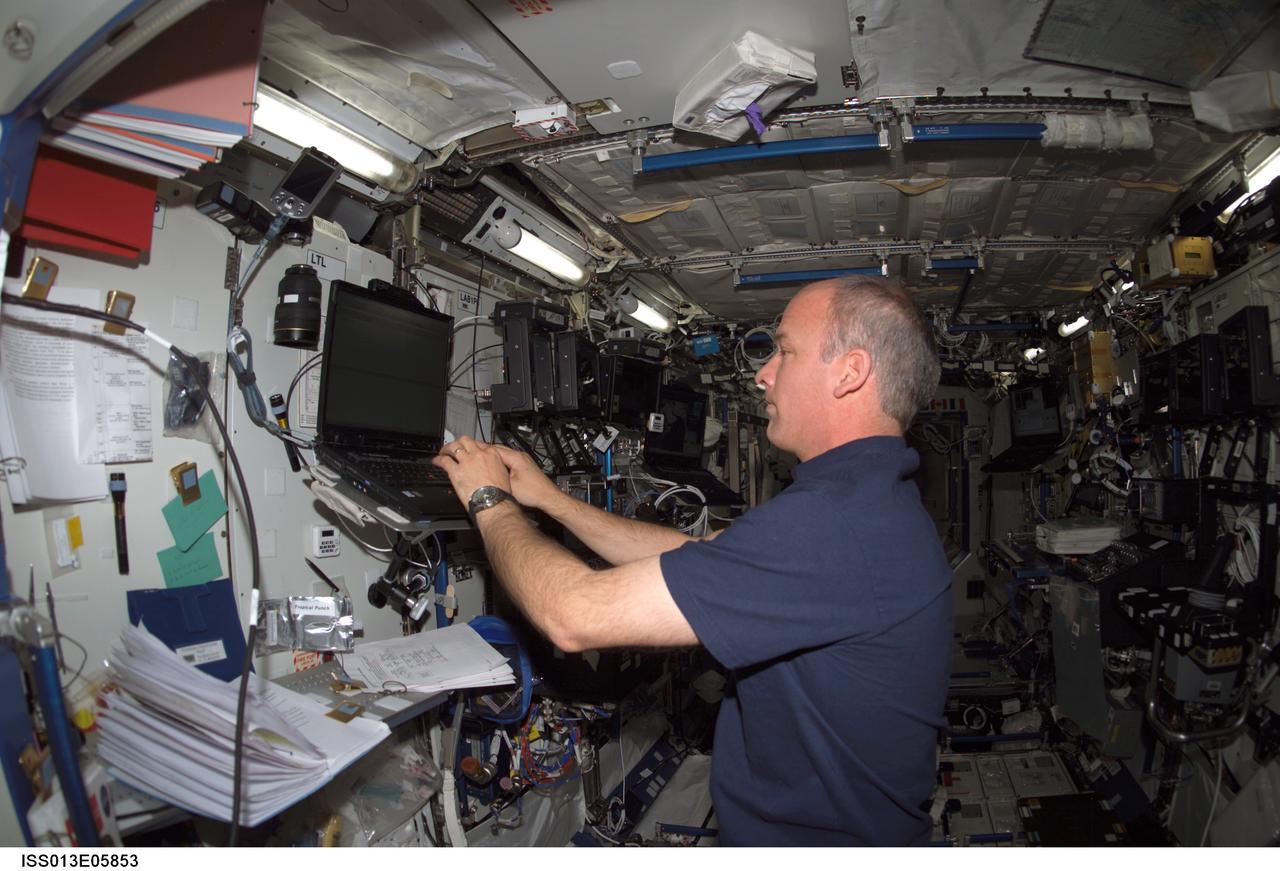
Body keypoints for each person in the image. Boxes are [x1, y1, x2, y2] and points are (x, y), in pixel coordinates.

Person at [432, 276, 952, 846]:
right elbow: (697, 558)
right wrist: (550, 500)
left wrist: (488, 499)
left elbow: (573, 614)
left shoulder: (834, 524)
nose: (763, 373)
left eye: (786, 350)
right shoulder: (867, 500)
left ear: (849, 372)